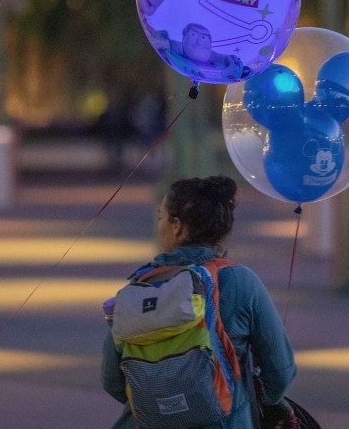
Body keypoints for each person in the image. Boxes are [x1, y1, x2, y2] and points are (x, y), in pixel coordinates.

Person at [101, 176, 297, 429]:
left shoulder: (139, 289)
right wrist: (249, 402)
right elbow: (279, 373)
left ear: (177, 226)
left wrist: (161, 404)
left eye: (161, 217)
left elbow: (111, 379)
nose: (158, 225)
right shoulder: (241, 281)